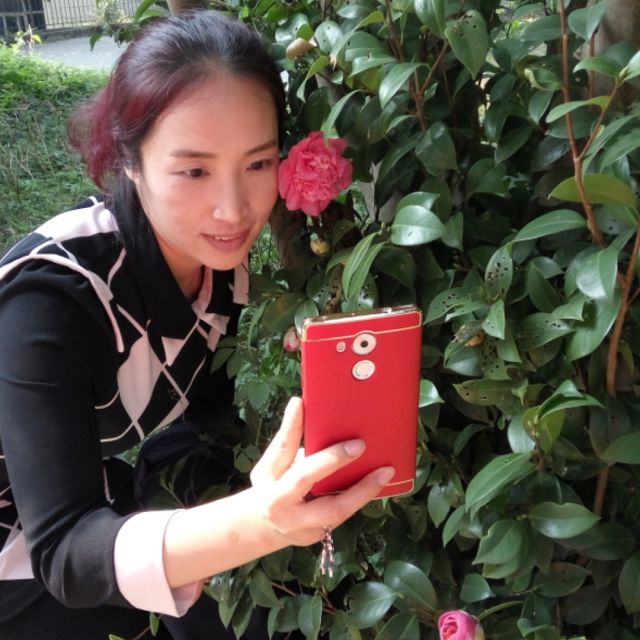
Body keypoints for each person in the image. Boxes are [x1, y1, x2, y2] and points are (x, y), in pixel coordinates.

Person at [0, 10, 395, 640]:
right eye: (194, 171)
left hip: (80, 495)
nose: (233, 210)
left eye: (257, 164)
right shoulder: (52, 299)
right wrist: (257, 521)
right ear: (131, 161)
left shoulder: (215, 268)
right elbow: (68, 556)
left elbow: (207, 414)